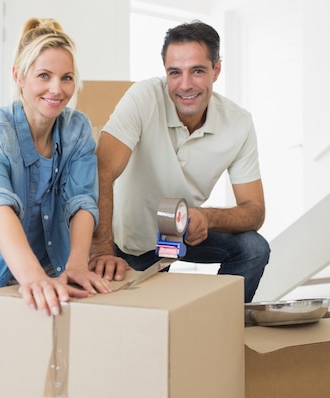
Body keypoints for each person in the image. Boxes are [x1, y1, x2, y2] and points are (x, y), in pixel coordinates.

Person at [89, 20, 270, 302]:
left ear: (216, 70)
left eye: (197, 71)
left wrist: (207, 218)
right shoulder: (144, 97)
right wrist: (101, 250)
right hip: (126, 244)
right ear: (165, 72)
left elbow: (255, 211)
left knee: (254, 248)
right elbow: (102, 170)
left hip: (179, 234)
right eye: (175, 73)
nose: (185, 85)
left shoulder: (239, 123)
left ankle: (218, 325)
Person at [0, 18, 111, 316]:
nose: (57, 89)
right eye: (44, 75)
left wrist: (77, 265)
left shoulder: (76, 129)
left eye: (66, 77)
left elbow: (82, 201)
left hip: (52, 271)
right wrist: (31, 277)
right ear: (19, 76)